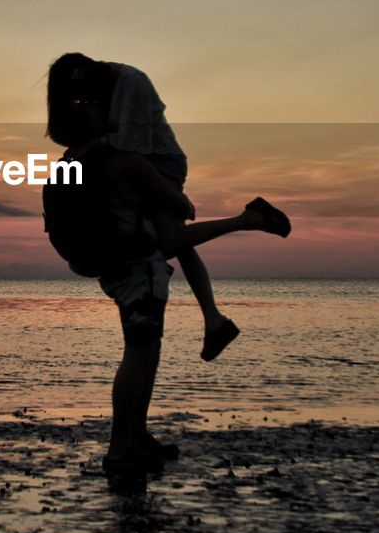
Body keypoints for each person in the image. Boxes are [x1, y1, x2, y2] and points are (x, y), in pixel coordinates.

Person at [45, 53, 292, 472]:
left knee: (147, 350)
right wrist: (181, 200)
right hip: (137, 267)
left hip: (111, 264)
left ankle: (136, 436)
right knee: (139, 353)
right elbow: (183, 209)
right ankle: (121, 447)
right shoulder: (126, 162)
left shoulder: (77, 161)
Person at [51, 53, 286, 362]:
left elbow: (128, 140)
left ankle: (249, 219)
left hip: (158, 163)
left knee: (170, 241)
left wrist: (90, 149)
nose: (83, 102)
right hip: (136, 163)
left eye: (83, 97)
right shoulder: (98, 89)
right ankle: (214, 319)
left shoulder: (130, 81)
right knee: (174, 239)